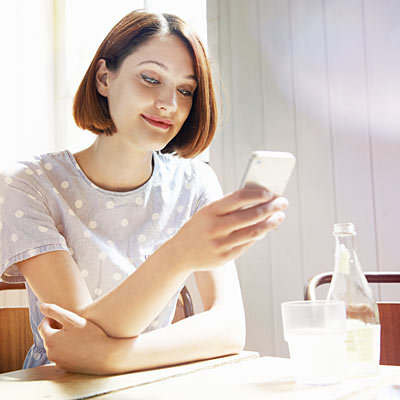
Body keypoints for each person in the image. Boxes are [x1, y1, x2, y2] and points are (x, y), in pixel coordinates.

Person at [0, 10, 288, 375]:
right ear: (104, 78)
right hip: (58, 385)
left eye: (185, 90)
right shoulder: (28, 183)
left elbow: (230, 329)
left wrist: (111, 357)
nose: (169, 104)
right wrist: (181, 252)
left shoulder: (195, 181)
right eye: (151, 79)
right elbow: (73, 340)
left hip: (155, 379)